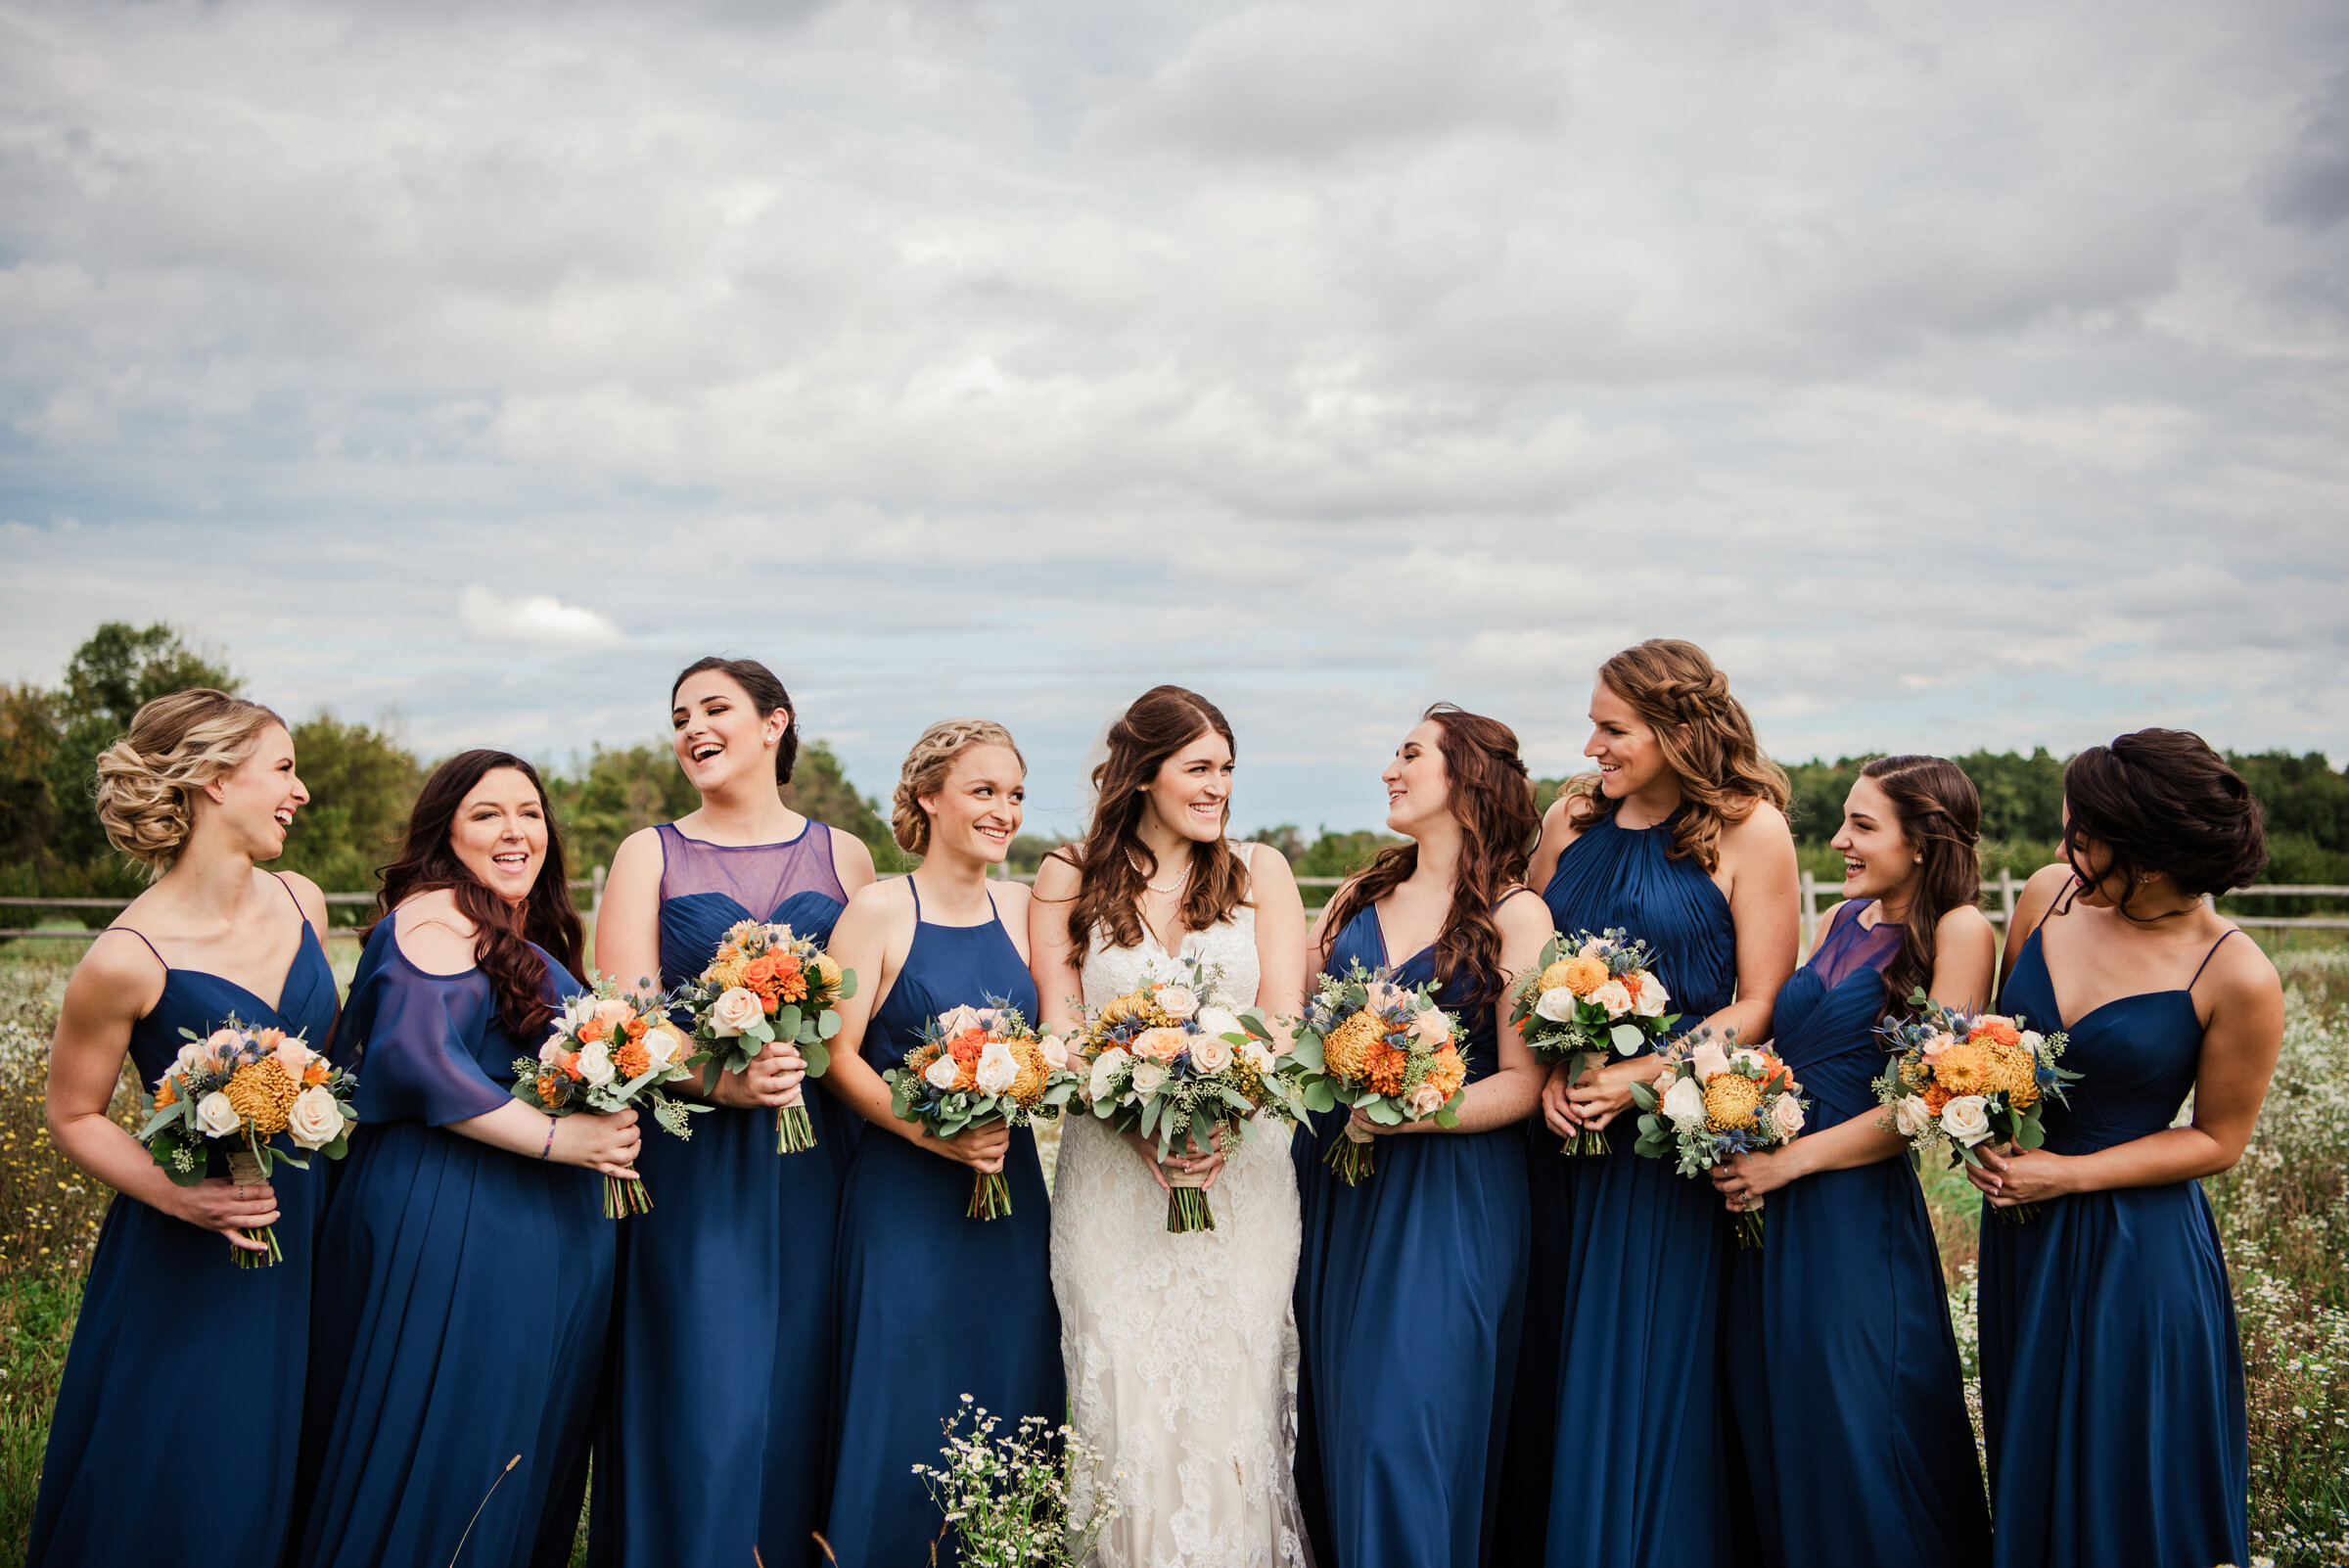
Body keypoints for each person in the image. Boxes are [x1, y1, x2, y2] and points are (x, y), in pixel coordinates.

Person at [290, 751, 639, 1568]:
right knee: (453, 1443)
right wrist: (564, 1139)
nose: (517, 831)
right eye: (488, 813)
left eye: (529, 811)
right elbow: (418, 1062)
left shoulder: (503, 927)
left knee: (511, 1448)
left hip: (525, 1219)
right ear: (444, 829)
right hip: (454, 1215)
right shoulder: (436, 917)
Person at [29, 690, 336, 1568]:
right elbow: (72, 1114)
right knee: (201, 1473)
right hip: (194, 1247)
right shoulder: (125, 959)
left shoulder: (302, 901)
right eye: (282, 769)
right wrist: (184, 1197)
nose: (300, 792)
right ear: (211, 780)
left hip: (315, 1223)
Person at [587, 658, 874, 1568]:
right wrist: (723, 1083)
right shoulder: (649, 853)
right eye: (679, 717)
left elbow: (861, 1022)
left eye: (715, 709)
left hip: (818, 1159)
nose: (692, 729)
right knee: (703, 1387)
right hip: (698, 1161)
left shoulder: (846, 855)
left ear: (774, 724)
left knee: (803, 1382)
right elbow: (623, 1026)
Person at [1972, 730, 2282, 1568]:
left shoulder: (2236, 973)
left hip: (2135, 1253)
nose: (2063, 848)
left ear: (2143, 857)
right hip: (2023, 1236)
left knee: (2122, 1472)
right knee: (2031, 1449)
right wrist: (1973, 1121)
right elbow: (2000, 1050)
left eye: (2082, 834)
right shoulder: (2048, 897)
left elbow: (2220, 1139)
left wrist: (2066, 1175)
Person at [1527, 638, 1799, 1567]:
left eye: (1614, 728)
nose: (1593, 745)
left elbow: (1761, 1002)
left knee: (1640, 1367)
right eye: (1593, 725)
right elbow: (1524, 965)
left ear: (1679, 729)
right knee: (1550, 1354)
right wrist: (1553, 1071)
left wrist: (1640, 1077)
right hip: (1555, 1134)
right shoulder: (1569, 819)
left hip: (1662, 1145)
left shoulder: (1750, 830)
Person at [1030, 686, 1312, 1568]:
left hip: (1246, 1175)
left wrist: (1223, 1116)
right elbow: (1062, 1028)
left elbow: (1282, 1020)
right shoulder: (1066, 874)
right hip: (1113, 1177)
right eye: (1198, 768)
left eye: (1227, 769)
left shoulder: (1259, 870)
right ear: (1143, 773)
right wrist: (1132, 1117)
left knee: (1233, 1392)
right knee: (1124, 1395)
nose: (1217, 786)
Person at [1710, 756, 1994, 1566]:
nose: (1839, 840)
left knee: (1860, 1413)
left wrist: (1786, 1166)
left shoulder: (1961, 929)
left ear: (1926, 839)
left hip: (1847, 1206)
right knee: (1782, 1409)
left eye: (1863, 825)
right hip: (1768, 1192)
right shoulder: (1842, 919)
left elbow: (1932, 1100)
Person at [1292, 704, 1546, 1568]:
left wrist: (1414, 1108)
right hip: (1340, 1184)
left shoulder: (1517, 915)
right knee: (1341, 1419)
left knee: (1405, 1428)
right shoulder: (1352, 899)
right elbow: (1289, 1025)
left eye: (1410, 755)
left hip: (1453, 1196)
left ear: (1467, 777)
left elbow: (1521, 1082)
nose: (1391, 770)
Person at [818, 720, 1063, 1567]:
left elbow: (1055, 1038)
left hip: (1009, 1190)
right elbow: (833, 1055)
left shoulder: (1028, 907)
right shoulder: (881, 907)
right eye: (984, 790)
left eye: (1016, 794)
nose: (1005, 811)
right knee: (904, 1387)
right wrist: (933, 1133)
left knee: (1011, 1381)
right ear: (929, 797)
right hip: (903, 1195)